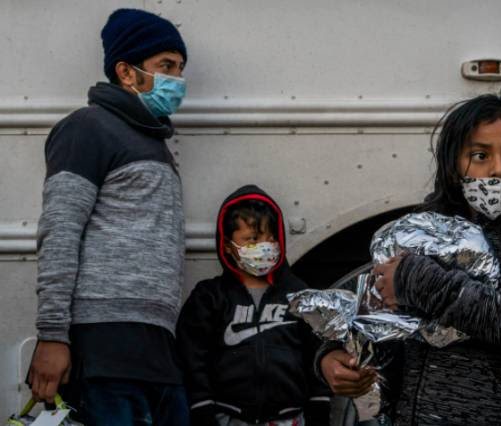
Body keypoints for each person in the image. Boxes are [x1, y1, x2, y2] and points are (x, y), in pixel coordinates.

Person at [318, 89, 501, 425]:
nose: (499, 169)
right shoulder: (428, 223)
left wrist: (416, 280)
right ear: (454, 163)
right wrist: (335, 354)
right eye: (480, 155)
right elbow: (375, 302)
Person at [27, 8, 190, 425]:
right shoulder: (87, 129)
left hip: (156, 351)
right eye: (165, 66)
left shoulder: (154, 142)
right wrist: (52, 336)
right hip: (103, 350)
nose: (177, 80)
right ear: (126, 71)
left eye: (180, 68)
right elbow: (60, 234)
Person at [176, 185, 331, 426]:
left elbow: (319, 350)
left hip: (290, 418)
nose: (264, 246)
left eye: (271, 238)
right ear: (228, 245)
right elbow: (192, 356)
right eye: (252, 239)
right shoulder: (210, 296)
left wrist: (320, 401)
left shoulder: (300, 294)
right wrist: (201, 405)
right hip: (229, 417)